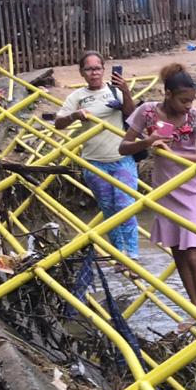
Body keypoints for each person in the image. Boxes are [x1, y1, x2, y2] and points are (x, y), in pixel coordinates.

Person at [120, 62, 196, 319]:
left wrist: (178, 155)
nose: (188, 106)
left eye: (191, 101)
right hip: (165, 188)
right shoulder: (147, 112)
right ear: (168, 94)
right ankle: (194, 312)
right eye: (184, 100)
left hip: (191, 189)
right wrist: (147, 141)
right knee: (180, 255)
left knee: (195, 256)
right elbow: (124, 147)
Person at [56, 51, 140, 257]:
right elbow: (58, 122)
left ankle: (133, 255)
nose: (94, 73)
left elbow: (133, 116)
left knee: (125, 207)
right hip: (94, 163)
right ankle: (119, 254)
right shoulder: (77, 96)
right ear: (82, 73)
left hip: (122, 159)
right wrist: (75, 115)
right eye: (89, 69)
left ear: (103, 69)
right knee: (109, 211)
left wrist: (126, 92)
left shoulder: (115, 91)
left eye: (97, 68)